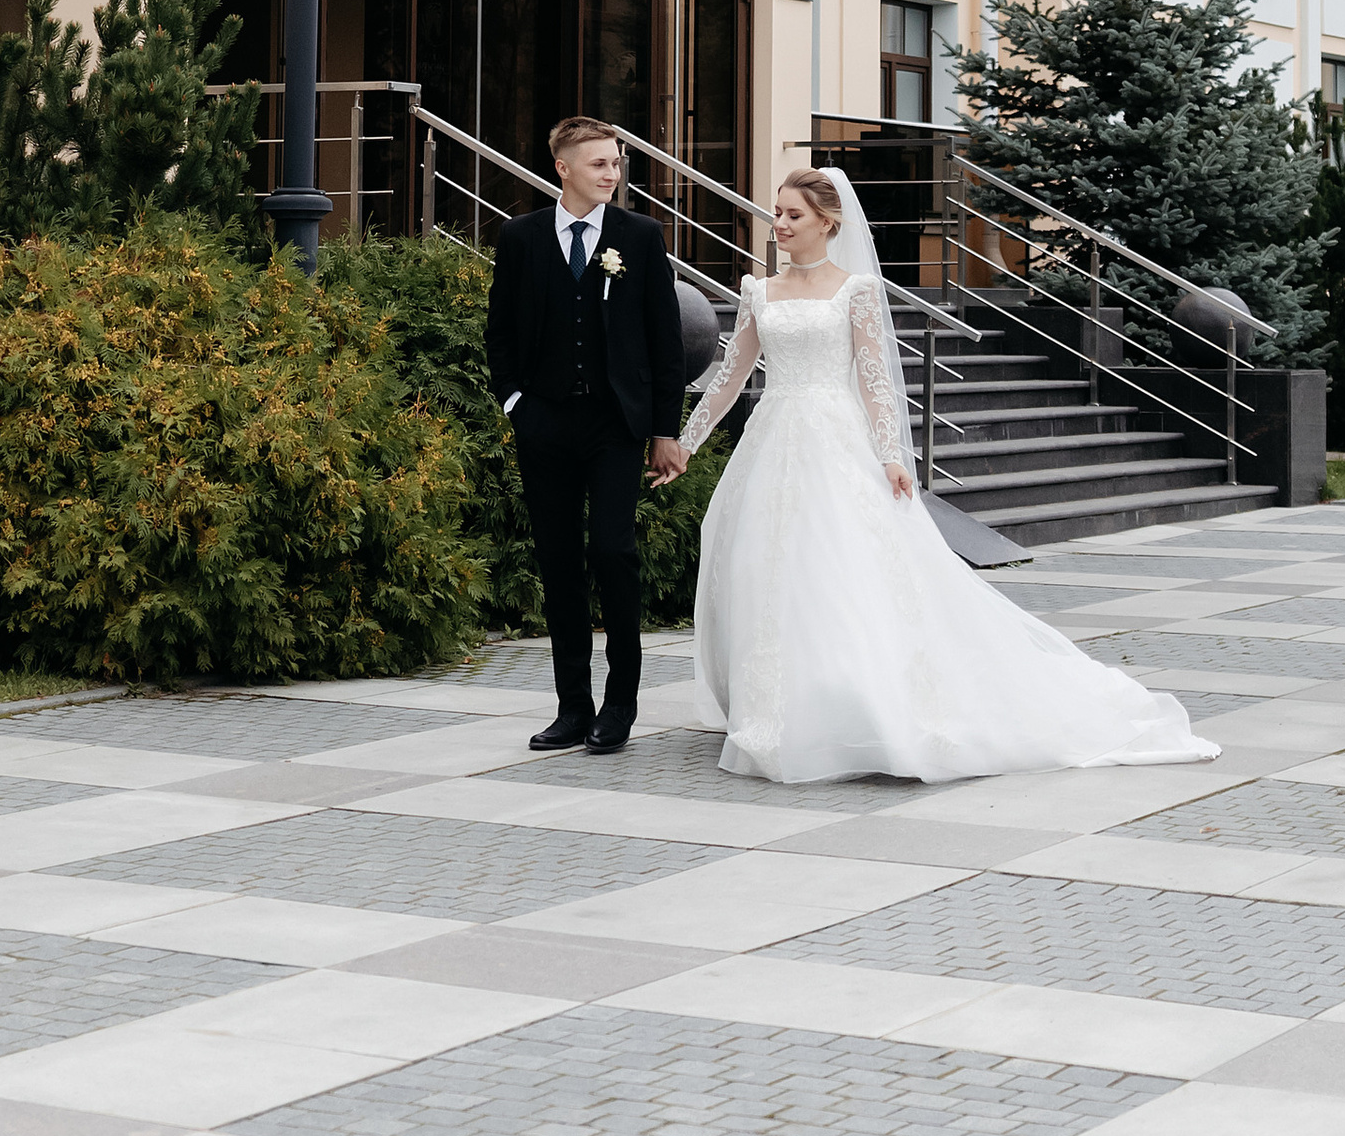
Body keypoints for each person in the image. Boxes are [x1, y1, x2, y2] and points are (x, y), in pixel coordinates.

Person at [682, 163, 1220, 784]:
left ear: (829, 223)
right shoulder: (759, 292)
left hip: (835, 441)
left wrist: (891, 455)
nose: (778, 224)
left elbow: (878, 382)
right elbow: (730, 376)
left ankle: (857, 702)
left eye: (792, 214)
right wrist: (686, 443)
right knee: (768, 568)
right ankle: (780, 703)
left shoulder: (855, 290)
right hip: (772, 442)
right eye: (776, 212)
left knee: (839, 568)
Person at [486, 116, 690, 754]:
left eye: (617, 162)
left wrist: (664, 430)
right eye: (600, 163)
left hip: (614, 425)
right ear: (563, 168)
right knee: (558, 564)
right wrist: (517, 401)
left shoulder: (640, 236)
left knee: (611, 552)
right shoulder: (519, 239)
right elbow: (502, 331)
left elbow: (665, 340)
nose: (613, 173)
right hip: (544, 422)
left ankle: (619, 705)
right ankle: (572, 706)